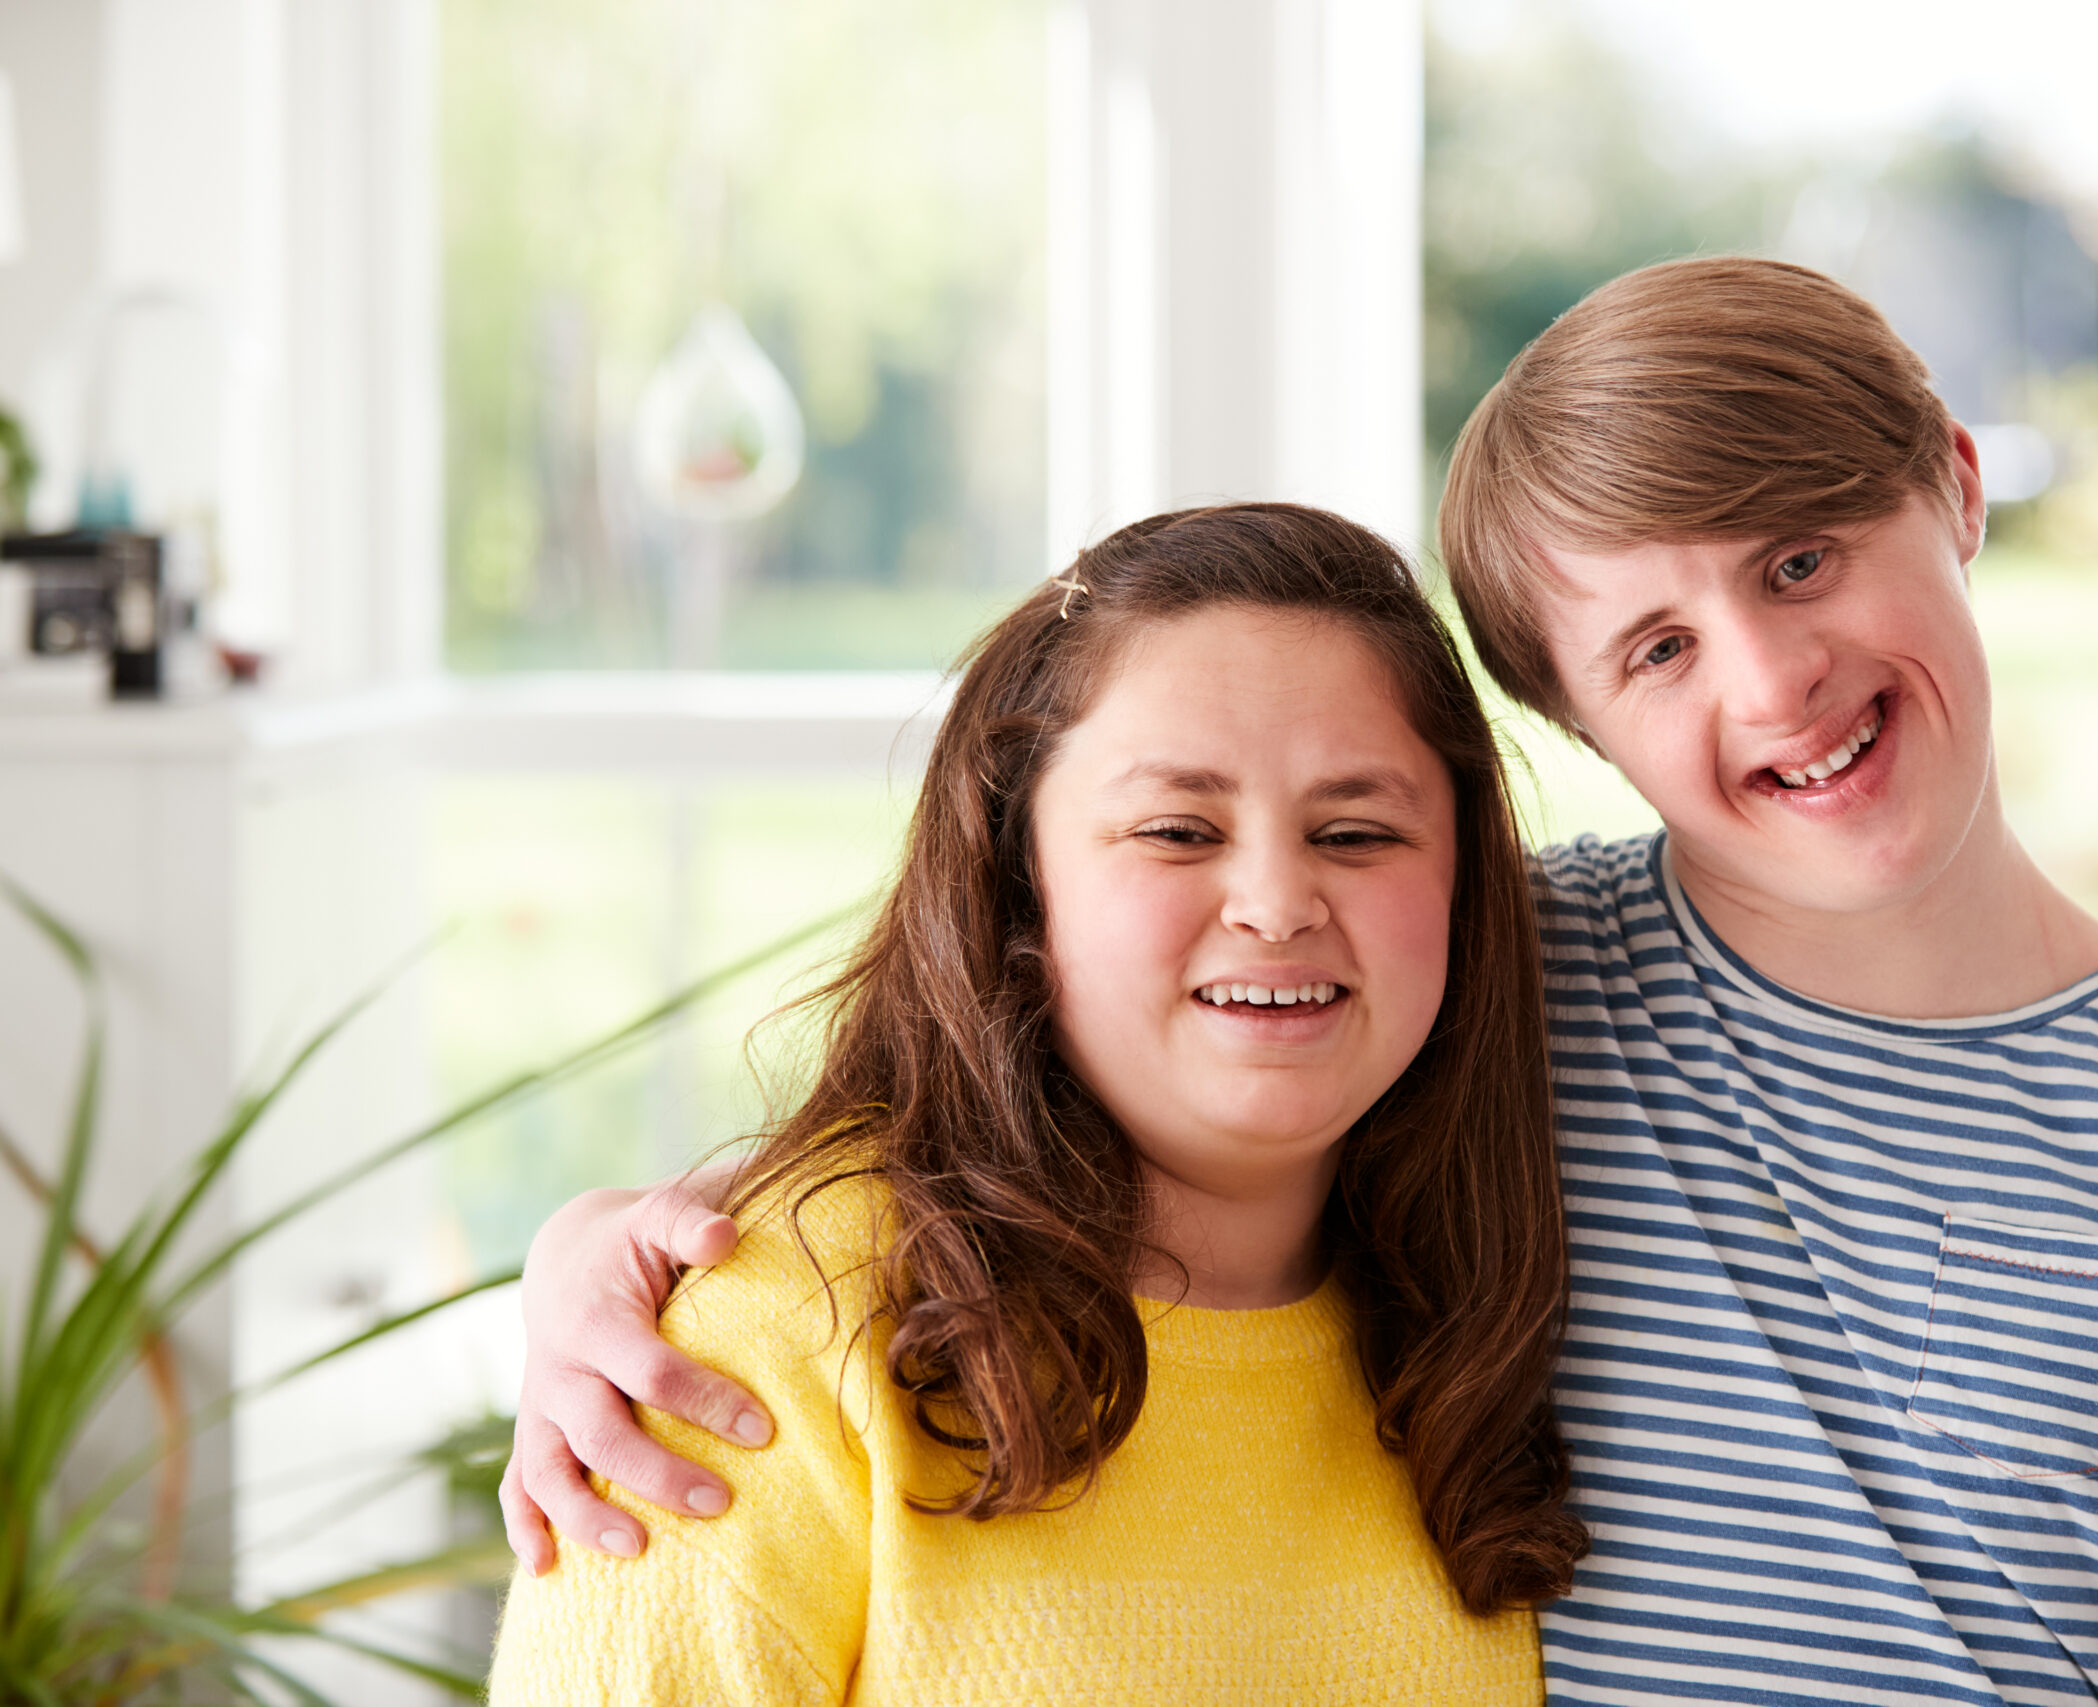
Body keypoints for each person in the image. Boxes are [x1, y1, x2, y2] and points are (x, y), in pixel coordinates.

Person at [503, 260, 2098, 1706]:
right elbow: (1116, 1051)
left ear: (1955, 492)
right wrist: (618, 1255)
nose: (1765, 677)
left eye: (1800, 559)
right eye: (1649, 646)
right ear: (1568, 718)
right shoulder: (1489, 986)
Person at [484, 503, 1586, 1703]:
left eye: (1358, 832)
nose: (1277, 902)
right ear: (1017, 886)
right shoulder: (771, 1338)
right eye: (1175, 830)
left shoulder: (1489, 1325)